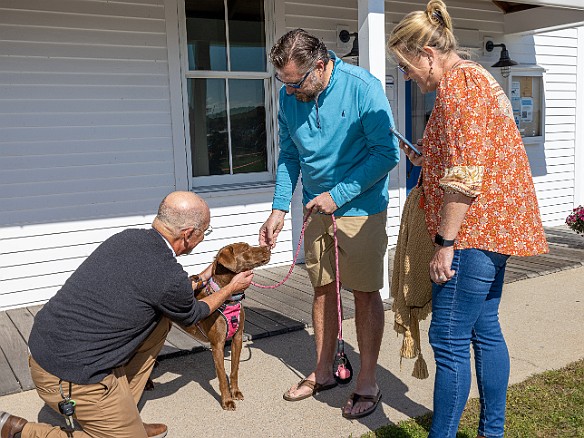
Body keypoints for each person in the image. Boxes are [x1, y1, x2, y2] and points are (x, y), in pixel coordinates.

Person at [387, 1, 548, 437]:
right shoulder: (476, 78)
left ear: (427, 52)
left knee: (449, 341)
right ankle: (491, 432)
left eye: (405, 65)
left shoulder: (459, 88)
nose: (406, 75)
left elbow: (466, 175)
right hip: (498, 227)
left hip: (474, 232)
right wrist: (426, 155)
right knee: (485, 330)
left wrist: (445, 243)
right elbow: (471, 154)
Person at [0, 191, 254, 438]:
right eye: (204, 232)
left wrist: (205, 276)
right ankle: (19, 430)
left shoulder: (127, 238)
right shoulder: (166, 273)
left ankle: (123, 418)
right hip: (68, 375)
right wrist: (231, 288)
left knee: (160, 321)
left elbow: (168, 292)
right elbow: (194, 312)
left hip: (46, 349)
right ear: (188, 234)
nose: (203, 238)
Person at [259, 29, 400, 419]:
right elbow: (289, 156)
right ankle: (323, 372)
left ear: (320, 66)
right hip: (315, 211)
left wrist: (337, 195)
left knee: (364, 293)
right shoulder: (291, 97)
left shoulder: (362, 88)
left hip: (362, 209)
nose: (288, 92)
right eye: (282, 83)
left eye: (295, 82)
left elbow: (386, 154)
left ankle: (368, 381)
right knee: (322, 290)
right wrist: (279, 208)